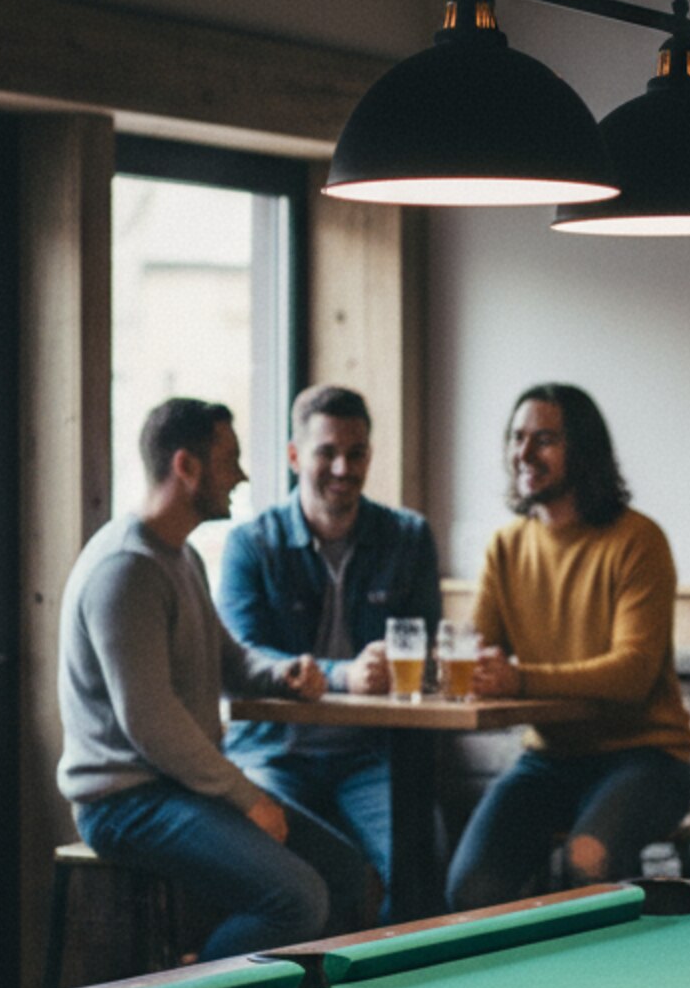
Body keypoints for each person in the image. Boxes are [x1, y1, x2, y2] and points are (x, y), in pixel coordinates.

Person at [57, 397, 350, 958]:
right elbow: (150, 723)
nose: (241, 475)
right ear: (186, 467)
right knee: (298, 901)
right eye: (229, 459)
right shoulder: (126, 570)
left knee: (341, 868)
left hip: (177, 787)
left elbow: (230, 660)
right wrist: (245, 798)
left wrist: (282, 673)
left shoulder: (180, 557)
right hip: (125, 804)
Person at [445, 383, 690, 910]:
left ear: (583, 450)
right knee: (469, 888)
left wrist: (520, 678)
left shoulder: (638, 540)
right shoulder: (506, 546)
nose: (524, 453)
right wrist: (471, 674)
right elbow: (476, 652)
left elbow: (632, 674)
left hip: (646, 758)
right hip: (549, 759)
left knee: (588, 861)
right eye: (517, 438)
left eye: (545, 439)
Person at [218, 383, 443, 920]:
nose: (343, 467)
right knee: (300, 869)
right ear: (295, 456)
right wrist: (345, 676)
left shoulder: (407, 538)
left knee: (419, 865)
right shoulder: (252, 544)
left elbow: (428, 649)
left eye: (357, 452)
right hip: (273, 754)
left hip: (369, 754)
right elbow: (243, 659)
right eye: (327, 452)